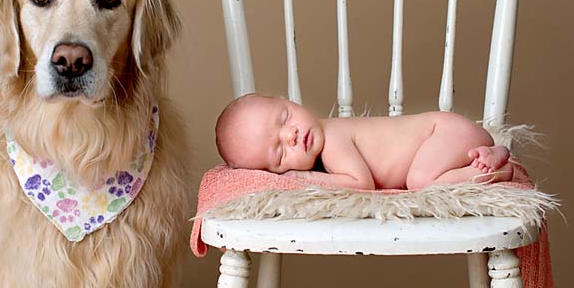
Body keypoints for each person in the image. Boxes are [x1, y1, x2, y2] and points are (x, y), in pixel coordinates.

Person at [215, 93, 513, 190]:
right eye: (280, 153)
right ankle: (487, 152)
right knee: (424, 174)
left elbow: (361, 183)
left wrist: (304, 177)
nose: (291, 135)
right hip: (447, 138)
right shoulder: (324, 139)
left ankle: (493, 170)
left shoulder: (332, 138)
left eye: (284, 118)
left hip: (442, 132)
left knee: (421, 180)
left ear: (288, 100)